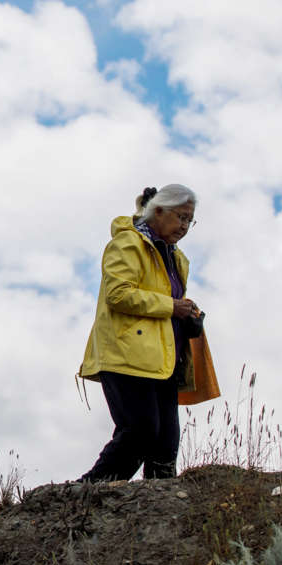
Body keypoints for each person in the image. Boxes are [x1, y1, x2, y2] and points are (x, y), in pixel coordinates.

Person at [77, 184, 200, 482]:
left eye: (189, 220)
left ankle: (161, 514)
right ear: (158, 211)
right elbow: (117, 294)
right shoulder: (128, 244)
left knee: (165, 445)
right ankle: (87, 494)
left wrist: (189, 317)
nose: (184, 226)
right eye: (180, 217)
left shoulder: (176, 257)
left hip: (163, 359)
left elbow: (166, 307)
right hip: (125, 354)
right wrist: (172, 306)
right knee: (140, 432)